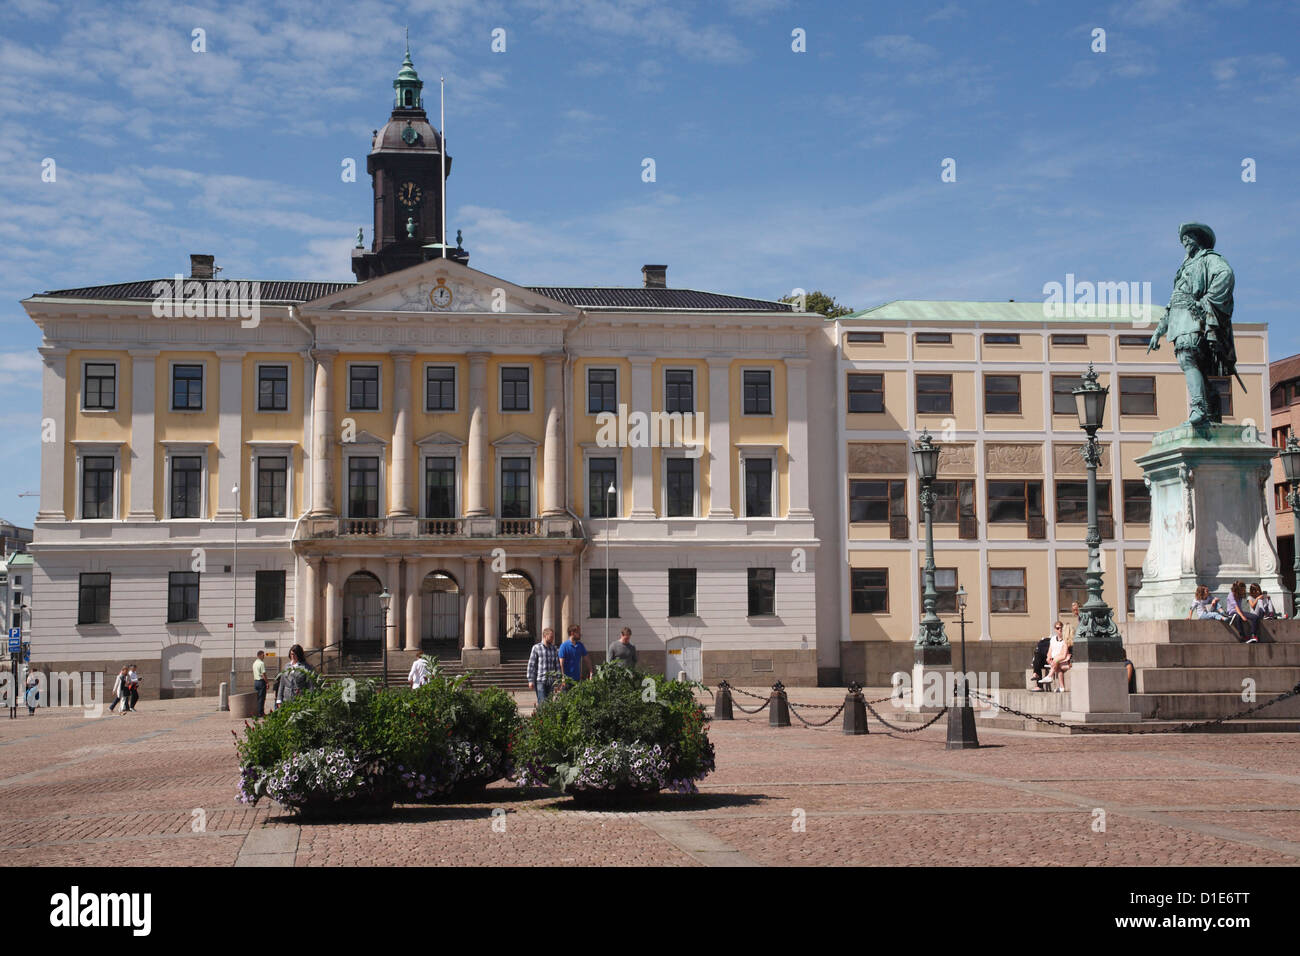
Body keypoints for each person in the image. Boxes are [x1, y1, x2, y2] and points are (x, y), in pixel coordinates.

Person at [527, 627, 561, 706]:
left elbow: (557, 665)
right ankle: (541, 718)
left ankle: (546, 718)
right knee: (542, 703)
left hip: (551, 681)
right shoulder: (536, 648)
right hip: (540, 680)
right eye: (551, 637)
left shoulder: (554, 649)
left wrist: (559, 679)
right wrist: (530, 680)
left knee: (549, 704)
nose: (553, 639)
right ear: (545, 636)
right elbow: (531, 664)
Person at [1045, 621, 1072, 692]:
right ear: (1055, 629)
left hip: (1068, 662)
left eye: (1061, 628)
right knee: (1058, 667)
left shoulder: (1066, 640)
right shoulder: (1053, 639)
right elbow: (1050, 651)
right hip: (1060, 661)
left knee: (1057, 665)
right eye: (1058, 628)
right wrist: (1049, 658)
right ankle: (1061, 687)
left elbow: (1064, 655)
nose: (1060, 630)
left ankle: (1049, 676)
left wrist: (1054, 661)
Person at [252, 651, 268, 716]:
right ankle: (261, 712)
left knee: (257, 698)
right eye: (263, 655)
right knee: (262, 697)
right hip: (261, 682)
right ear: (260, 655)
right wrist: (267, 682)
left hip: (256, 682)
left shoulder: (254, 663)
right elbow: (263, 674)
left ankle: (257, 711)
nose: (264, 656)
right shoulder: (261, 663)